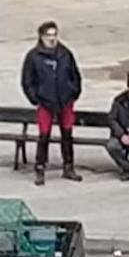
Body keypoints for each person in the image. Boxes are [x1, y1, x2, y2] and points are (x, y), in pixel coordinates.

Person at [20, 20, 83, 187]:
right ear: (41, 36)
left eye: (54, 34)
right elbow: (27, 80)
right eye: (49, 35)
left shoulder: (65, 54)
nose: (52, 38)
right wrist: (35, 98)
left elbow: (75, 75)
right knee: (44, 136)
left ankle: (68, 167)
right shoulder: (33, 56)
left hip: (65, 100)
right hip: (45, 101)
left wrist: (73, 92)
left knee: (67, 134)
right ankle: (40, 168)